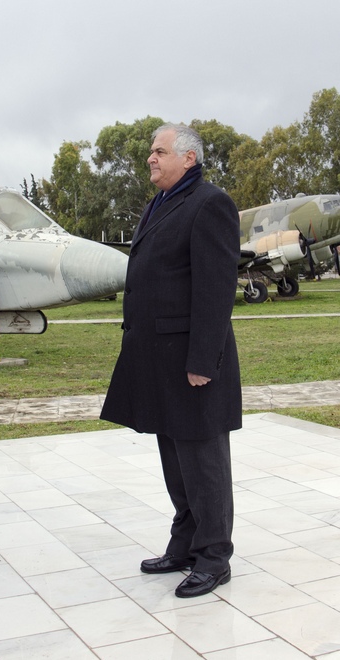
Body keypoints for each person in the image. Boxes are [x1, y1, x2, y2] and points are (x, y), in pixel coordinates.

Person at [100, 124, 242, 599]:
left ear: (188, 158)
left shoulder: (210, 204)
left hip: (191, 361)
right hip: (158, 360)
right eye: (152, 152)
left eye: (159, 151)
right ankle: (185, 544)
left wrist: (203, 360)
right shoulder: (160, 202)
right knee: (175, 460)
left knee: (203, 462)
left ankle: (214, 556)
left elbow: (215, 290)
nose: (151, 158)